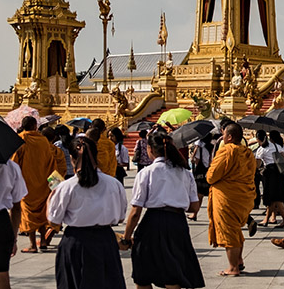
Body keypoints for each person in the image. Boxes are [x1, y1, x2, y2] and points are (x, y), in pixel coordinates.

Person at [120, 132, 205, 289]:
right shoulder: (185, 173)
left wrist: (126, 237)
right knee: (173, 272)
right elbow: (194, 206)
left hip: (152, 222)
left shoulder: (146, 172)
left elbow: (136, 211)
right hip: (177, 223)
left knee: (143, 273)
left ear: (150, 149)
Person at [46, 136, 128, 289]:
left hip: (76, 241)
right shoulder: (113, 183)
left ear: (71, 158)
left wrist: (51, 198)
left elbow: (53, 220)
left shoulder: (66, 187)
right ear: (96, 156)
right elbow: (121, 217)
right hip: (105, 240)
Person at [207, 123, 257, 277]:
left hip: (227, 198)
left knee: (229, 232)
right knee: (235, 230)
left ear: (229, 137)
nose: (222, 136)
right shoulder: (248, 152)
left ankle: (233, 267)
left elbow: (211, 176)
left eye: (223, 134)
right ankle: (239, 260)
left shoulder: (226, 152)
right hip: (244, 197)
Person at [12, 115, 55, 253]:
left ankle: (32, 245)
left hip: (26, 183)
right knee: (42, 213)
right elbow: (51, 161)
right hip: (43, 183)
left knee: (28, 214)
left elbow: (13, 163)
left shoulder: (20, 140)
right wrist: (53, 183)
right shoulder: (43, 140)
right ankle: (43, 240)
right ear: (35, 126)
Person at [0, 145, 26, 289]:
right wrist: (14, 238)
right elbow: (16, 207)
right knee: (2, 272)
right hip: (1, 222)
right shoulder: (11, 167)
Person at [255, 131, 284, 227]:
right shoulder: (278, 146)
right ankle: (268, 219)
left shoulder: (262, 149)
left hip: (270, 173)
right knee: (275, 197)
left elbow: (257, 164)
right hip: (279, 172)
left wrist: (258, 170)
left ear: (258, 140)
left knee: (273, 197)